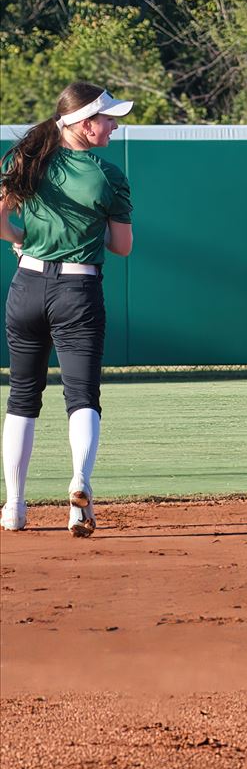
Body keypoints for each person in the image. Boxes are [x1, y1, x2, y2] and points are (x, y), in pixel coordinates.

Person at [1, 82, 136, 537]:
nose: (114, 125)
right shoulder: (107, 174)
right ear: (82, 122)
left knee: (22, 398)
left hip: (26, 286)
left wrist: (20, 240)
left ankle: (13, 508)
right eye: (108, 118)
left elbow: (0, 220)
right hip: (77, 292)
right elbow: (122, 247)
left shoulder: (26, 159)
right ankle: (79, 490)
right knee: (82, 397)